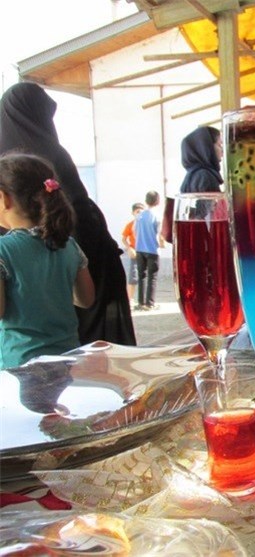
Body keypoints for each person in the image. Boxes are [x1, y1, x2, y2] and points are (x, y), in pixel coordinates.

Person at [0, 82, 136, 346]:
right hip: (86, 285)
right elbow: (86, 297)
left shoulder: (7, 168)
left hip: (21, 348)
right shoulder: (55, 156)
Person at [0, 153, 95, 368]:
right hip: (67, 359)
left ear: (4, 198)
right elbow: (86, 299)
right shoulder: (68, 245)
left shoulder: (3, 249)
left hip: (19, 366)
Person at [134, 190, 164, 311]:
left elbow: (134, 231)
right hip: (152, 249)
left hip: (139, 249)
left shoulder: (139, 216)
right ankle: (150, 303)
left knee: (141, 275)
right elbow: (160, 233)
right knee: (152, 276)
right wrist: (161, 243)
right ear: (157, 201)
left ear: (146, 201)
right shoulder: (156, 216)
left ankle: (140, 302)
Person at [179, 126, 223, 193]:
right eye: (219, 145)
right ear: (207, 148)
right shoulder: (205, 176)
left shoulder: (193, 175)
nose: (222, 150)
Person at [121, 202, 144, 301]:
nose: (139, 214)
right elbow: (124, 238)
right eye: (137, 212)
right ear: (133, 213)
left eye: (141, 212)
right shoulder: (130, 225)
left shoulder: (145, 224)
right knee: (133, 275)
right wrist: (129, 248)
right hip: (135, 252)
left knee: (144, 276)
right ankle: (129, 298)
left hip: (145, 251)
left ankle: (143, 300)